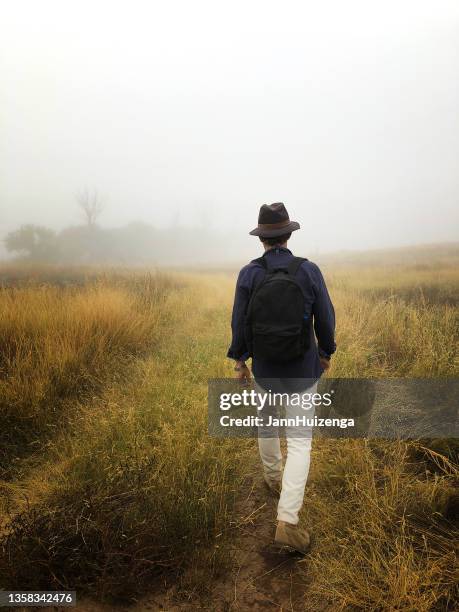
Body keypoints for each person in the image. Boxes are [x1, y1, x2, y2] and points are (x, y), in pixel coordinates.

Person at [227, 202, 336, 553]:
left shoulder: (249, 274)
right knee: (301, 442)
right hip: (303, 371)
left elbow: (239, 321)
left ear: (262, 239)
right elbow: (326, 318)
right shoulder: (308, 270)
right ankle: (287, 521)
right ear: (288, 235)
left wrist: (241, 360)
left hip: (267, 371)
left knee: (267, 423)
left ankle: (274, 480)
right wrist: (325, 353)